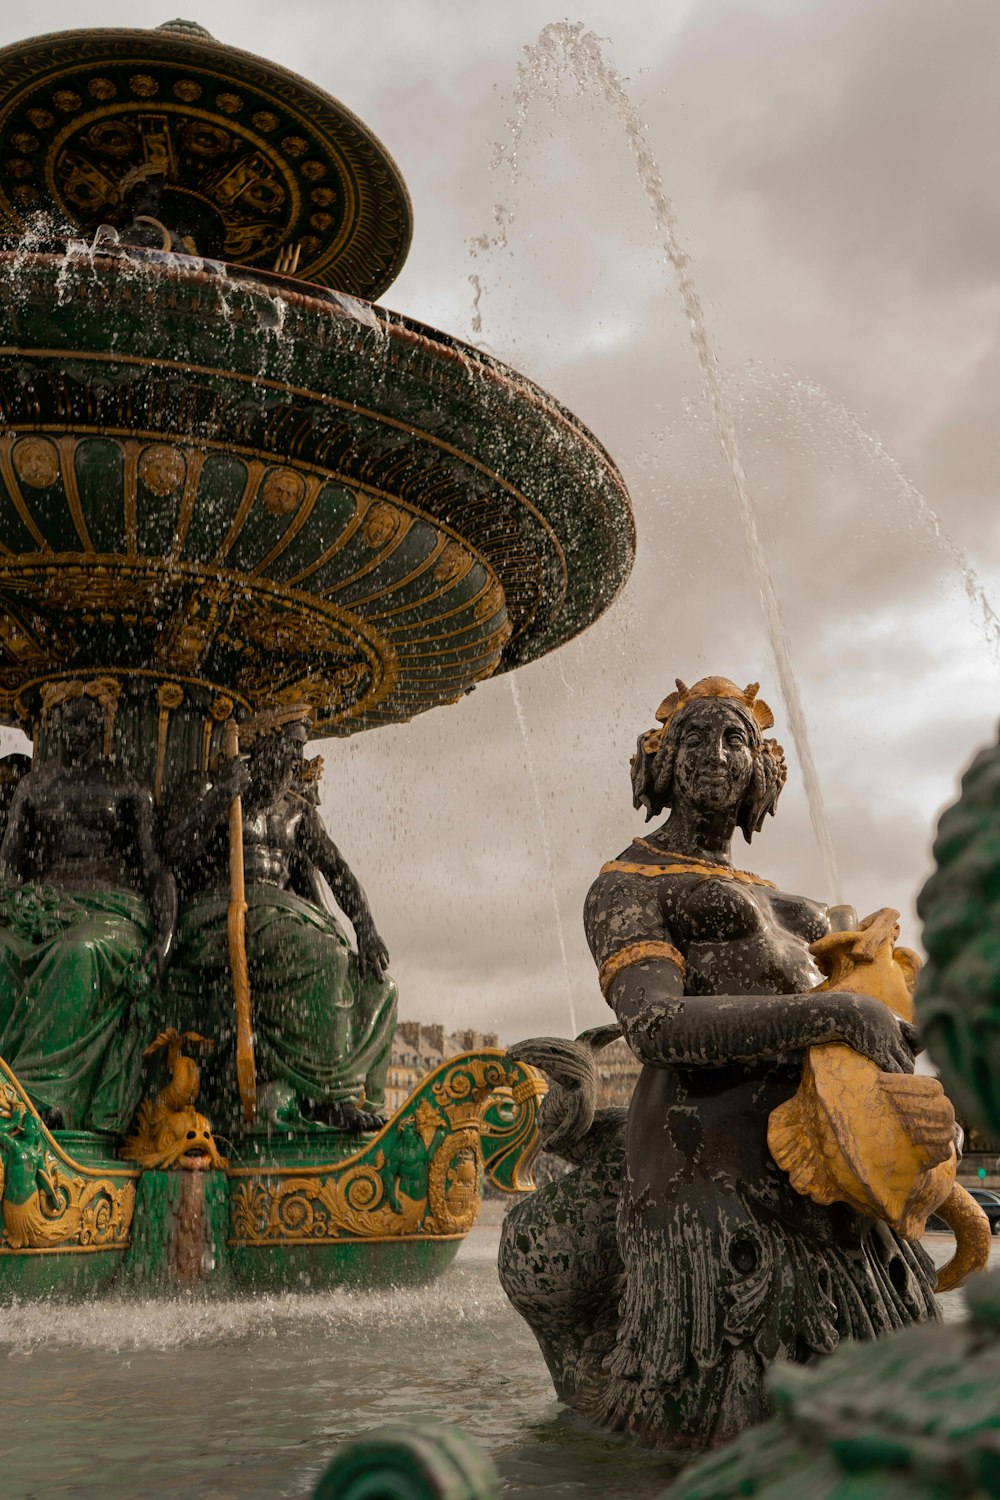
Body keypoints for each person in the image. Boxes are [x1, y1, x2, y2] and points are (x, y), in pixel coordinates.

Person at [502, 676, 939, 1452]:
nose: (716, 752)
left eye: (736, 738)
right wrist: (833, 1011)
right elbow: (655, 1025)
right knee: (728, 1428)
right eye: (695, 737)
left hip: (822, 1174)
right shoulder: (626, 884)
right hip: (709, 1171)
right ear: (660, 764)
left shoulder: (789, 900)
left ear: (762, 770)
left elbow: (871, 1017)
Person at [163, 704, 396, 1133]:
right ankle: (328, 1097)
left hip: (278, 916)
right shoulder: (209, 787)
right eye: (292, 747)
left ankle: (354, 1090)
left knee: (377, 983)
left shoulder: (296, 813)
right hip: (220, 911)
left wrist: (366, 930)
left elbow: (339, 873)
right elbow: (171, 852)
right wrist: (220, 797)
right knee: (324, 959)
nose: (298, 760)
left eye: (300, 750)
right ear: (265, 744)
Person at [0, 679, 175, 1131]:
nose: (77, 729)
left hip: (113, 909)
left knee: (77, 953)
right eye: (68, 720)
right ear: (54, 726)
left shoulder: (127, 785)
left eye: (87, 720)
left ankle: (45, 1092)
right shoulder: (33, 787)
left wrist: (164, 937)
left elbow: (155, 869)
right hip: (46, 906)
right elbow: (8, 865)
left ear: (103, 727)